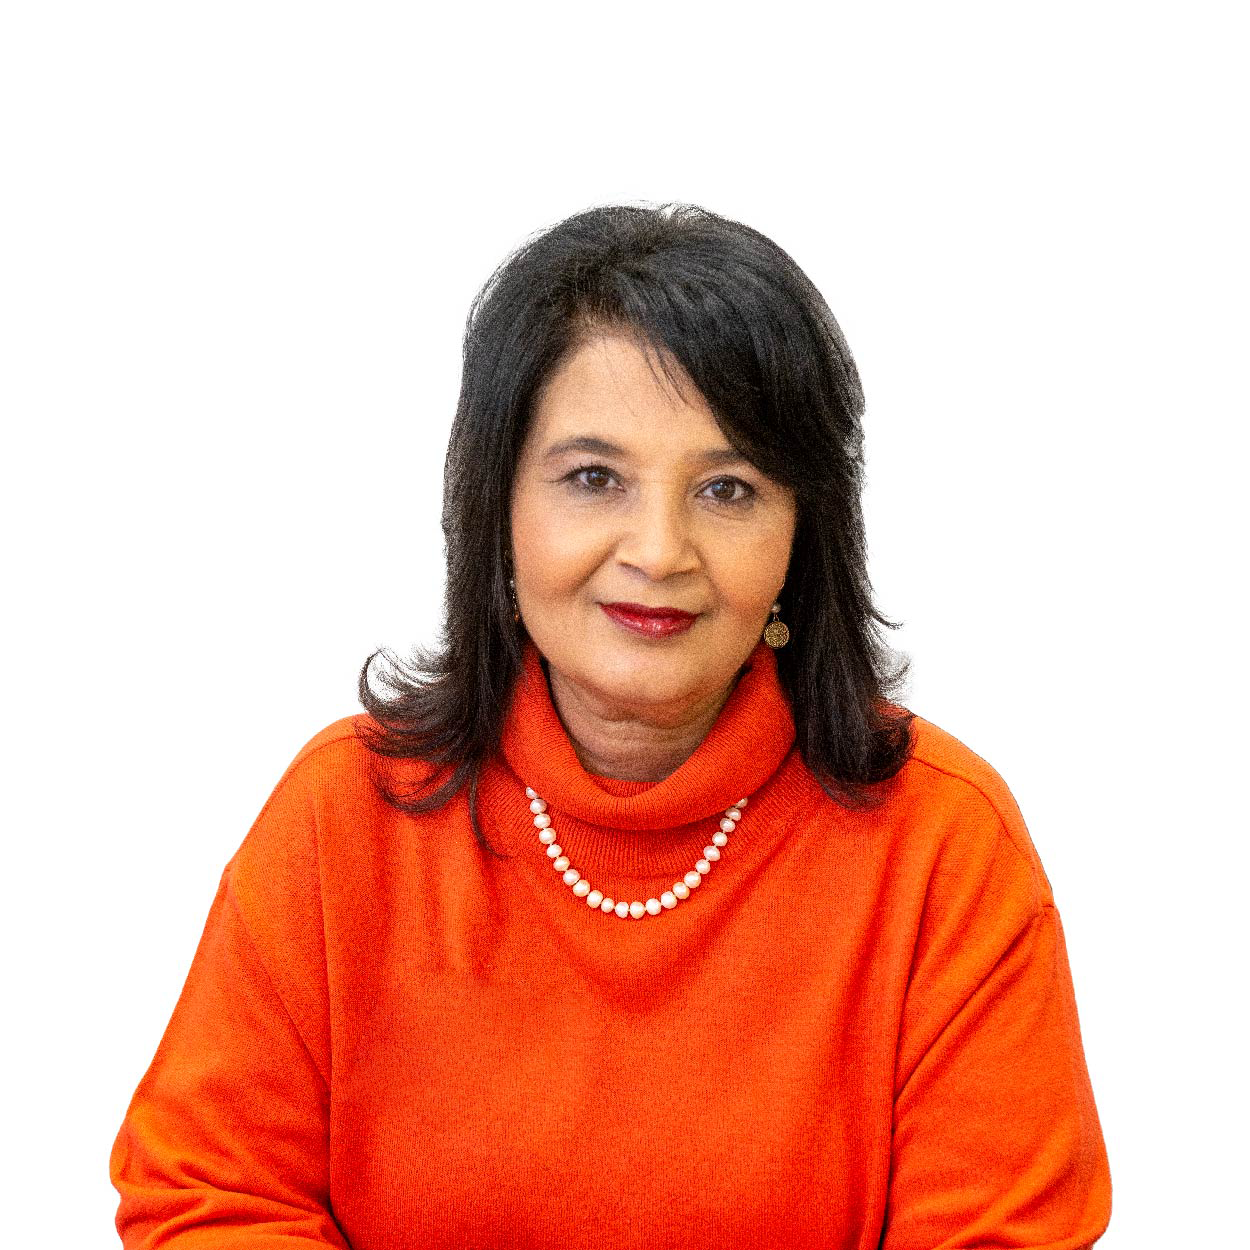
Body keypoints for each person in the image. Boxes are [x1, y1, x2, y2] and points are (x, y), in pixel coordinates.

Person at [109, 202, 1112, 1248]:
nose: (658, 550)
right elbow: (207, 1196)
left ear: (800, 536)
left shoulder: (943, 846)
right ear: (497, 505)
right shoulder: (343, 817)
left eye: (727, 489)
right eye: (594, 479)